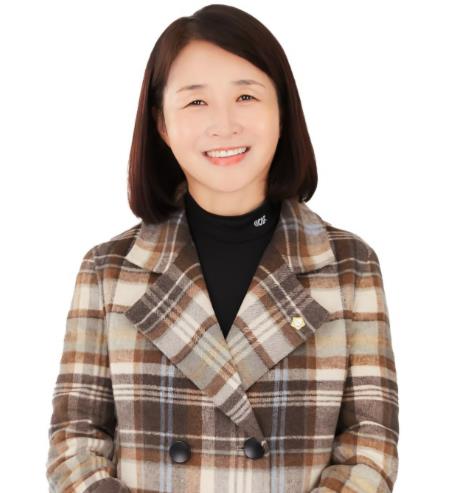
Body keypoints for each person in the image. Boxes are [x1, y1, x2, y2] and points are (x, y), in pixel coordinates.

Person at [46, 4, 399, 492]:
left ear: (282, 111)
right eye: (196, 102)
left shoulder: (348, 267)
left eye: (246, 96)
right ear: (162, 125)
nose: (225, 124)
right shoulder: (109, 271)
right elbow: (74, 443)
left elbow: (370, 449)